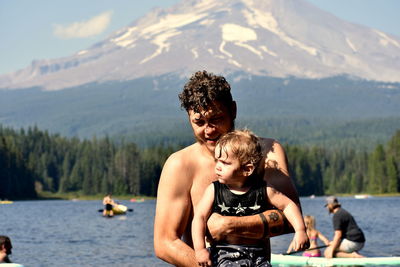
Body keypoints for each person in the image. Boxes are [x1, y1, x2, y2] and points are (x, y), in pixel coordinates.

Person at [154, 70, 303, 266]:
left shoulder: (266, 153)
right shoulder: (180, 165)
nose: (208, 130)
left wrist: (231, 225)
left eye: (216, 119)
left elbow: (291, 218)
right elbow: (165, 243)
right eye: (199, 122)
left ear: (233, 110)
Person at [192, 129, 308, 267]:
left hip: (258, 256)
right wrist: (200, 249)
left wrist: (300, 230)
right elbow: (199, 217)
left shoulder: (263, 189)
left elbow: (288, 205)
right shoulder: (214, 190)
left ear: (247, 169)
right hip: (224, 256)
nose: (218, 167)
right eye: (217, 160)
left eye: (225, 163)